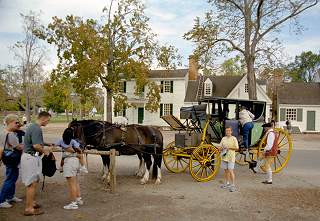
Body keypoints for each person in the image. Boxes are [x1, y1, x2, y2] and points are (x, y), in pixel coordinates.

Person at [20, 111, 53, 216]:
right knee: (32, 184)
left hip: (30, 157)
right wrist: (45, 151)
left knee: (33, 182)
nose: (48, 122)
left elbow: (36, 141)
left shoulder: (32, 126)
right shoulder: (36, 128)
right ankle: (29, 209)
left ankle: (32, 203)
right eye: (48, 120)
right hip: (31, 158)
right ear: (43, 118)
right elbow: (36, 145)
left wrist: (47, 143)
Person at [55, 128, 84, 210]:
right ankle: (78, 199)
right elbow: (80, 150)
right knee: (75, 182)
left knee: (71, 185)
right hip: (75, 162)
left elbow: (54, 146)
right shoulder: (74, 142)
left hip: (69, 162)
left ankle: (73, 203)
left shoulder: (62, 141)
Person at [0, 115, 24, 208]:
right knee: (10, 179)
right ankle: (2, 200)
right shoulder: (10, 134)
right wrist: (27, 145)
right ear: (10, 122)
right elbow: (18, 147)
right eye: (16, 122)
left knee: (12, 177)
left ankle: (10, 196)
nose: (18, 124)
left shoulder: (5, 132)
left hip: (8, 158)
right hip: (12, 159)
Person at [219, 126, 239, 192]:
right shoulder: (223, 138)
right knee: (226, 171)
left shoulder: (234, 138)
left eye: (229, 131)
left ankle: (233, 185)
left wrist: (229, 147)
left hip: (231, 157)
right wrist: (221, 148)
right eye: (226, 131)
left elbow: (237, 148)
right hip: (224, 157)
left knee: (231, 171)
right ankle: (227, 183)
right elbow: (220, 147)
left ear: (231, 131)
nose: (227, 132)